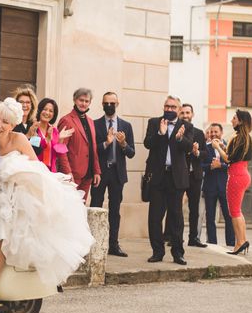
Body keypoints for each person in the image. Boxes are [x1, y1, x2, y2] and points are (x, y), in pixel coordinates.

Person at [0, 98, 94, 311]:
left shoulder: (20, 139)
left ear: (12, 125)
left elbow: (36, 169)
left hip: (18, 197)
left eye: (4, 121)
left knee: (1, 235)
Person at [143, 95, 193, 265]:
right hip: (158, 177)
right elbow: (147, 143)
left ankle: (178, 253)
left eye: (173, 107)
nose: (169, 109)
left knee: (176, 218)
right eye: (167, 106)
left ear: (179, 110)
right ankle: (157, 251)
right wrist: (160, 134)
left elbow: (188, 147)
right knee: (155, 217)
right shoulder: (154, 123)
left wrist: (179, 138)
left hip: (176, 178)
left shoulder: (186, 126)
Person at [89, 92, 135, 257]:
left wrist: (123, 144)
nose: (109, 105)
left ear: (117, 103)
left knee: (115, 210)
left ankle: (113, 244)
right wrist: (106, 143)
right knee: (95, 206)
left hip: (117, 173)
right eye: (106, 103)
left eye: (112, 103)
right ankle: (93, 243)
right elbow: (92, 150)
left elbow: (131, 153)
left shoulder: (126, 126)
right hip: (100, 173)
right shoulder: (94, 124)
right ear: (102, 104)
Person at [211, 109, 252, 255]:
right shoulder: (244, 137)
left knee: (234, 212)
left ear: (240, 121)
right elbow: (234, 155)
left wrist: (216, 147)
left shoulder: (238, 137)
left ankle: (240, 242)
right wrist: (223, 146)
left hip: (236, 176)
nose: (232, 120)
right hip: (243, 174)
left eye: (234, 118)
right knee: (237, 211)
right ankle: (243, 240)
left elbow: (228, 159)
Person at [58, 88, 101, 199]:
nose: (83, 103)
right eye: (81, 100)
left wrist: (96, 171)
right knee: (70, 208)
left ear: (90, 102)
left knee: (81, 208)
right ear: (74, 100)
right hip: (73, 174)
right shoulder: (66, 120)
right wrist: (67, 172)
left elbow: (93, 147)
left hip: (88, 174)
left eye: (87, 101)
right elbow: (61, 148)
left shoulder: (91, 121)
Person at [178, 103, 208, 248]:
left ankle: (193, 238)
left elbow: (205, 154)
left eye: (187, 112)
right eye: (182, 113)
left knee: (194, 208)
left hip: (195, 175)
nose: (185, 115)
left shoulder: (199, 133)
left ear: (192, 114)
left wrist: (196, 152)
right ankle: (175, 237)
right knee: (175, 207)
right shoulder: (176, 131)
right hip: (178, 175)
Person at [201, 123, 235, 246]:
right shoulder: (205, 148)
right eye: (211, 132)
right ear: (209, 134)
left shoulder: (228, 147)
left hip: (225, 187)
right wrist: (210, 166)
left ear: (221, 133)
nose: (214, 134)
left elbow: (233, 165)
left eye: (216, 131)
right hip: (209, 187)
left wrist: (221, 165)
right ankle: (212, 243)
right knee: (210, 217)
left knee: (228, 216)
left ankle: (231, 243)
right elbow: (200, 166)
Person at [32, 98, 73, 173]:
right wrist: (47, 140)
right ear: (39, 110)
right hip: (36, 171)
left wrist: (60, 140)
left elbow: (58, 155)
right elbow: (34, 150)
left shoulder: (54, 131)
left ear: (54, 115)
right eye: (45, 109)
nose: (47, 113)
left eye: (51, 111)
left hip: (51, 172)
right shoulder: (34, 128)